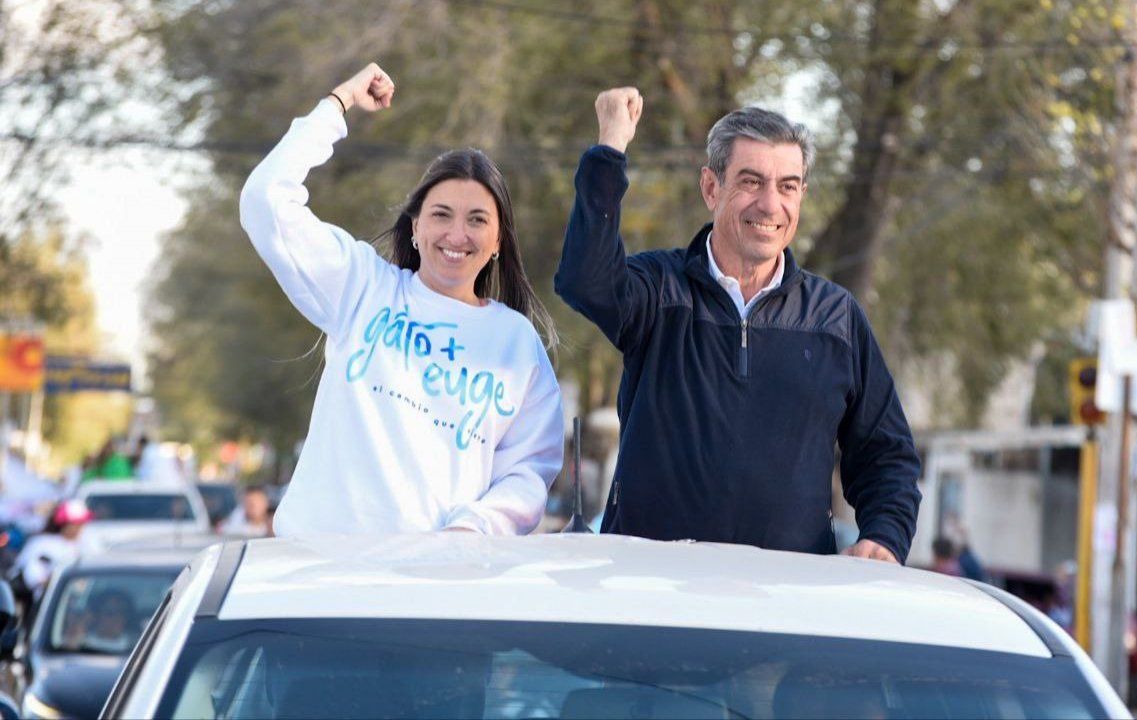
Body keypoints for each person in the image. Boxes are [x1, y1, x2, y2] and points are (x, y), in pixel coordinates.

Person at [555, 88, 921, 561]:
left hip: (787, 602)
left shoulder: (836, 318)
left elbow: (886, 455)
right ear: (711, 188)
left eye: (788, 186)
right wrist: (610, 148)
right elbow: (584, 281)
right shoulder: (659, 291)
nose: (771, 205)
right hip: (649, 593)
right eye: (751, 181)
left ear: (802, 196)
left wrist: (885, 537)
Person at [240, 64, 564, 537]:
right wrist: (339, 103)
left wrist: (473, 530)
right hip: (320, 576)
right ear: (415, 227)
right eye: (441, 215)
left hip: (433, 586)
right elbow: (265, 200)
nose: (457, 234)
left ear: (498, 241)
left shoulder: (516, 343)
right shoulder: (363, 288)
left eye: (477, 220)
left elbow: (528, 470)